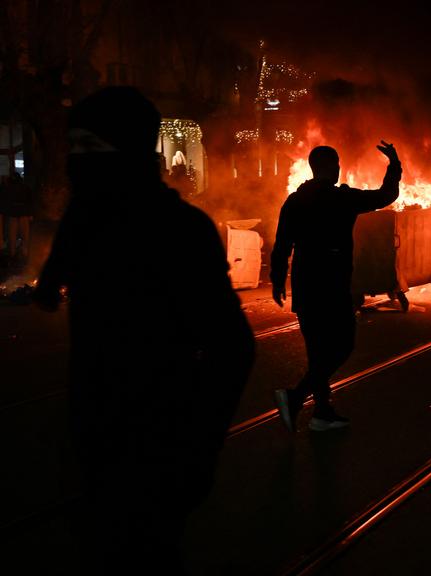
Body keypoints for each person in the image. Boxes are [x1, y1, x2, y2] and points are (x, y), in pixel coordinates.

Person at [32, 86, 254, 575]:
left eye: (90, 146)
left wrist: (202, 442)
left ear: (126, 148)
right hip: (95, 427)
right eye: (74, 146)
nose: (77, 160)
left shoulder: (180, 229)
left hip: (161, 434)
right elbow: (60, 264)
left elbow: (233, 347)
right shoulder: (87, 217)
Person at [271, 142, 401, 432]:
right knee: (343, 345)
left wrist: (278, 280)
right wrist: (394, 163)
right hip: (332, 286)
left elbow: (282, 245)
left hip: (305, 286)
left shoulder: (295, 201)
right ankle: (296, 397)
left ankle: (322, 412)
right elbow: (385, 196)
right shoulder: (341, 198)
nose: (339, 169)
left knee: (317, 351)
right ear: (331, 167)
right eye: (337, 164)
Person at [0, 171, 35, 265]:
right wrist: (30, 214)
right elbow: (30, 201)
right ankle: (23, 255)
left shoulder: (8, 188)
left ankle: (13, 255)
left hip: (14, 214)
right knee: (24, 236)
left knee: (13, 236)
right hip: (22, 214)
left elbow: (5, 201)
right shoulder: (25, 188)